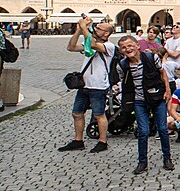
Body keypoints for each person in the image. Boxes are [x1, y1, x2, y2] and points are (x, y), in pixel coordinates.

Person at [114, 34, 173, 174]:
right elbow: (125, 83)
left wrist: (168, 90)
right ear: (121, 51)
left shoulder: (152, 58)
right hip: (139, 100)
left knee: (163, 129)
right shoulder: (122, 66)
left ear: (137, 46)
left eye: (130, 46)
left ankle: (167, 158)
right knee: (143, 131)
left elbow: (162, 72)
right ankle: (142, 162)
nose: (128, 49)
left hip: (156, 98)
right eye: (124, 47)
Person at [59, 16, 116, 153]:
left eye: (98, 28)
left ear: (106, 33)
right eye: (95, 27)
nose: (95, 29)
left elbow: (92, 44)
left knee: (99, 114)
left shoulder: (109, 46)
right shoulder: (89, 42)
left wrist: (85, 27)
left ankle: (102, 142)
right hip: (84, 85)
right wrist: (78, 31)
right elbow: (71, 47)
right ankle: (78, 141)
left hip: (98, 86)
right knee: (77, 113)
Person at [163, 23, 180, 89]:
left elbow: (175, 55)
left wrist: (166, 50)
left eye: (177, 27)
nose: (174, 27)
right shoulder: (169, 40)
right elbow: (163, 52)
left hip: (177, 67)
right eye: (174, 26)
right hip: (168, 66)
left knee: (176, 86)